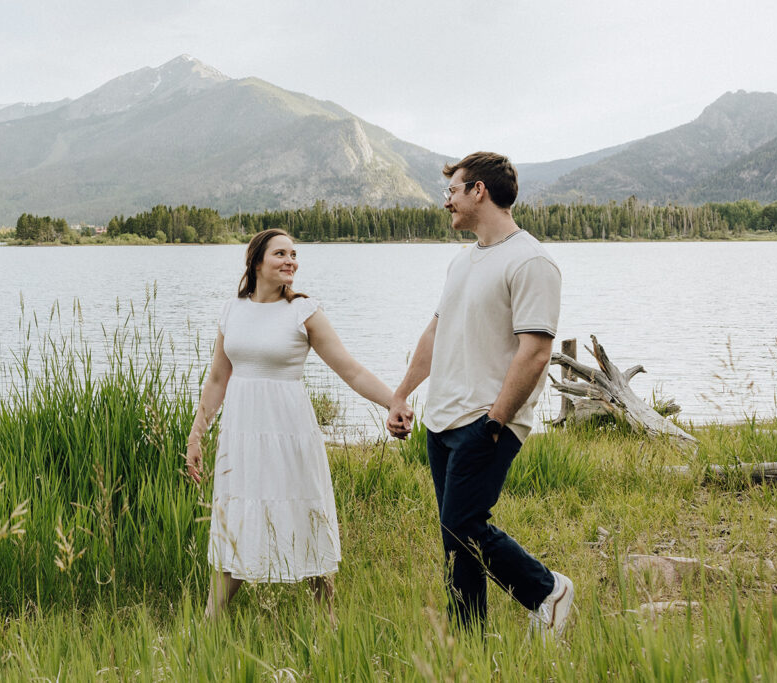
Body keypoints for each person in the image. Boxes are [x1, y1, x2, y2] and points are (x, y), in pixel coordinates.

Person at [385, 152, 573, 638]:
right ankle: (467, 639)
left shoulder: (531, 260)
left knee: (465, 525)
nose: (445, 200)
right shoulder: (462, 260)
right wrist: (402, 395)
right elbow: (436, 333)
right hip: (443, 421)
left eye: (452, 190)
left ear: (479, 191)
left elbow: (535, 352)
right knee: (455, 538)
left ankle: (547, 591)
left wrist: (496, 420)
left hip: (486, 421)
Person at [186, 228, 407, 620]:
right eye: (280, 254)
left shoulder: (304, 312)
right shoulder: (231, 311)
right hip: (241, 435)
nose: (291, 261)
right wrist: (196, 435)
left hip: (289, 433)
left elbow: (350, 370)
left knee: (304, 513)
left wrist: (395, 402)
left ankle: (327, 619)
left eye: (294, 254)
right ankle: (211, 620)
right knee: (236, 516)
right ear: (256, 262)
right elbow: (218, 380)